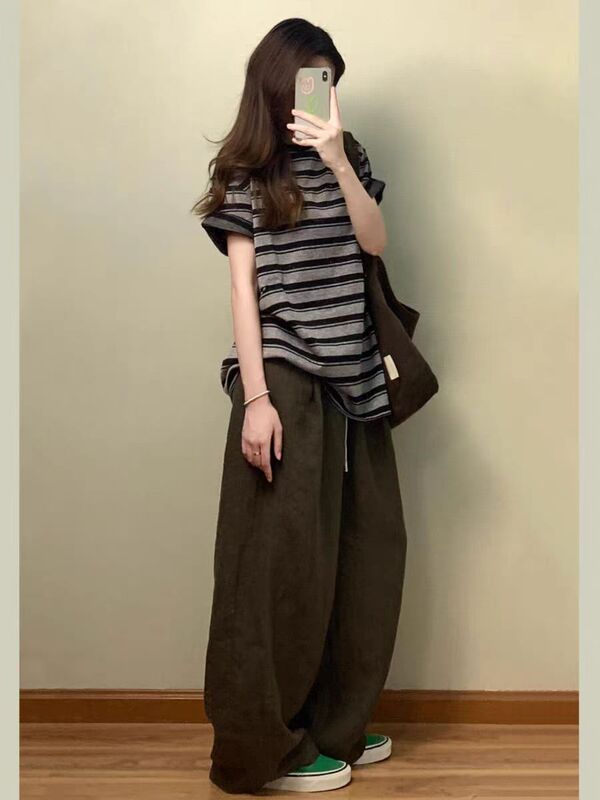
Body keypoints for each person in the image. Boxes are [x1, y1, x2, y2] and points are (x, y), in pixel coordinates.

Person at [192, 17, 408, 795]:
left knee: (363, 557)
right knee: (273, 570)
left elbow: (375, 243)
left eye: (329, 82)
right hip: (283, 378)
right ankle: (262, 752)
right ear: (276, 82)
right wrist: (255, 399)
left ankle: (331, 726)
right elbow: (242, 291)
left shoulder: (348, 155)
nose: (320, 94)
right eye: (310, 79)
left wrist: (338, 161)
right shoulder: (245, 171)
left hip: (357, 379)